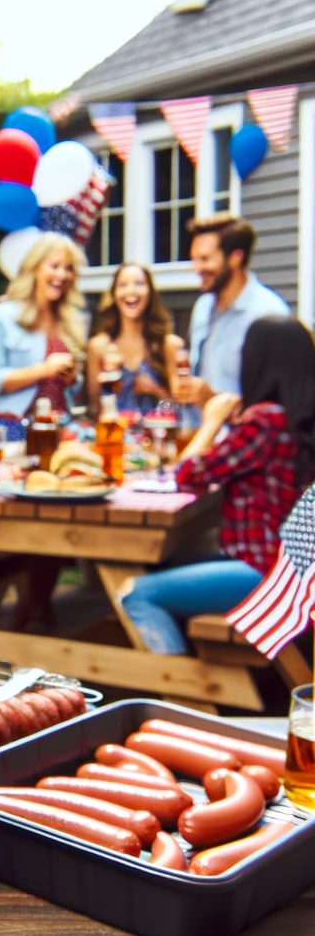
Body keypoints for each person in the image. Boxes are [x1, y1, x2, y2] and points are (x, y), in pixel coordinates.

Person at [120, 317, 315, 654]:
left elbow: (186, 475)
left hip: (267, 574)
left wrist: (210, 420)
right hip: (296, 569)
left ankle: (178, 691)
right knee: (164, 562)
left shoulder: (267, 420)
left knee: (135, 592)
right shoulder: (298, 418)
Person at [0, 233, 87, 439]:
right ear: (35, 268)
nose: (62, 275)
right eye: (54, 266)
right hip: (16, 428)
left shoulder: (73, 320)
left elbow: (74, 390)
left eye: (69, 268)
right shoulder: (3, 315)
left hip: (62, 429)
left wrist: (72, 377)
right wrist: (46, 369)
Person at [178, 214, 289, 407]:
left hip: (246, 437)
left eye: (204, 259)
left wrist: (212, 399)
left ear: (235, 257)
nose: (196, 268)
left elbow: (275, 408)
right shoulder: (203, 307)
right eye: (194, 259)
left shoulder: (268, 314)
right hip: (200, 434)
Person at [87, 262, 183, 415]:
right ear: (114, 294)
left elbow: (175, 408)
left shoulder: (168, 345)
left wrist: (157, 392)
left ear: (150, 292)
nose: (131, 291)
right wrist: (108, 386)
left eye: (139, 284)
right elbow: (94, 410)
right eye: (123, 285)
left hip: (155, 436)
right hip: (113, 435)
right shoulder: (98, 347)